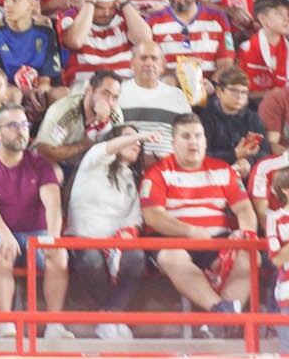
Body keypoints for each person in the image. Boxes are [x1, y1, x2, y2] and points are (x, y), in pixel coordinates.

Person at [0, 105, 70, 338]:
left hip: (36, 231)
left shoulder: (40, 164)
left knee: (58, 254)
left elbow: (53, 203)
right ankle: (7, 322)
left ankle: (54, 324)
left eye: (24, 125)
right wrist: (4, 233)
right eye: (13, 126)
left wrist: (53, 238)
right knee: (4, 251)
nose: (21, 131)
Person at [141, 111, 256, 314]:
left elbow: (244, 208)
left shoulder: (223, 169)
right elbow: (153, 216)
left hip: (218, 240)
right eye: (186, 137)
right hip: (173, 240)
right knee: (171, 257)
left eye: (198, 136)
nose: (193, 142)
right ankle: (221, 311)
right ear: (173, 142)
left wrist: (247, 233)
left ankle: (227, 317)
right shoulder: (158, 172)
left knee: (249, 255)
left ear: (205, 140)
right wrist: (190, 231)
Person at [63, 124, 147, 342]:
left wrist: (130, 231)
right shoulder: (95, 159)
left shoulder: (130, 177)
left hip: (115, 243)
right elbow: (108, 148)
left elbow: (135, 217)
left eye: (138, 141)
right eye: (129, 138)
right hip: (83, 238)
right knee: (91, 259)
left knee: (137, 257)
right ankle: (112, 318)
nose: (136, 143)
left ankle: (111, 314)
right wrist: (140, 134)